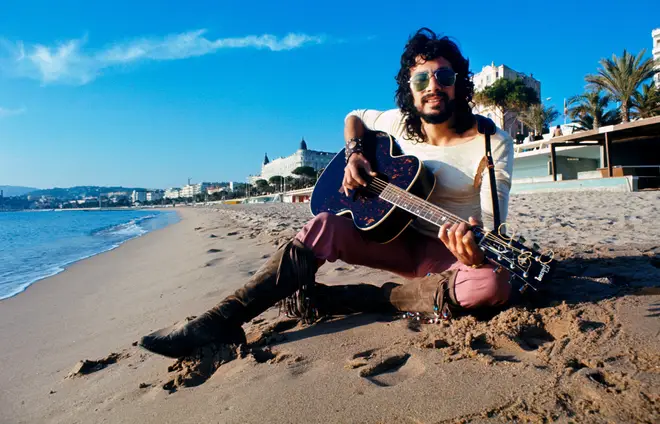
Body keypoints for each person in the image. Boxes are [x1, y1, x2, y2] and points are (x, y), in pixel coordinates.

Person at [139, 28, 515, 359]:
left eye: (443, 75)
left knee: (490, 284)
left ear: (458, 82)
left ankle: (353, 300)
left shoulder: (491, 143)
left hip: (448, 254)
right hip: (394, 239)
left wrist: (476, 252)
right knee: (323, 225)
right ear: (409, 88)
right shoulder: (398, 123)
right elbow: (354, 116)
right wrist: (355, 157)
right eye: (421, 80)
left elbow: (494, 229)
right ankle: (222, 318)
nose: (433, 86)